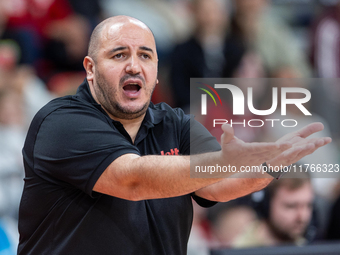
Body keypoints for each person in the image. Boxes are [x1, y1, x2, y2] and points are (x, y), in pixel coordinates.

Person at [17, 16, 331, 255]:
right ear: (90, 68)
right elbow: (134, 180)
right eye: (118, 55)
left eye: (145, 55)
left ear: (156, 71)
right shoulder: (61, 122)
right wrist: (222, 161)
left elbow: (219, 186)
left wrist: (269, 168)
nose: (134, 66)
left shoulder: (175, 124)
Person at [234, 174, 315, 247]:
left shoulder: (305, 245)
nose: (302, 217)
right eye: (291, 206)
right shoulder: (243, 249)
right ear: (266, 205)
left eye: (308, 205)